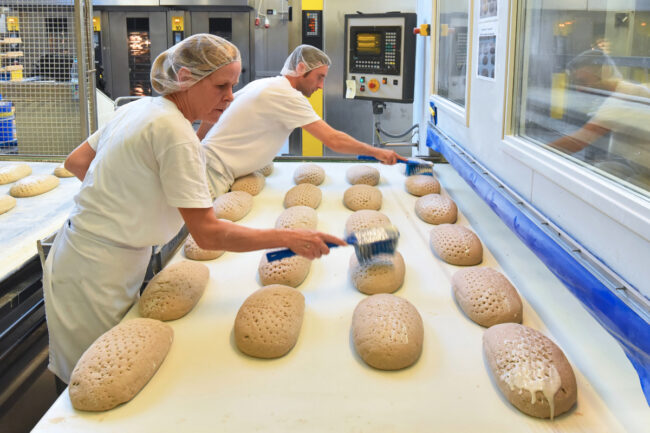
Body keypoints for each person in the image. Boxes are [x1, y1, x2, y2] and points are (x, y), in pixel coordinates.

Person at [43, 34, 345, 385]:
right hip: (97, 272)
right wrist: (289, 238)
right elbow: (208, 233)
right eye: (221, 85)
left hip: (82, 253)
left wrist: (125, 201)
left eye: (234, 84)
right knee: (93, 386)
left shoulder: (140, 108)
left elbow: (78, 161)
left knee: (97, 376)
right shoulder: (174, 131)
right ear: (186, 77)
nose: (231, 96)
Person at [197, 44, 408, 196]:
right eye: (320, 77)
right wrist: (377, 152)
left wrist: (197, 147)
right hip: (211, 177)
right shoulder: (288, 96)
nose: (321, 86)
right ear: (301, 69)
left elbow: (214, 116)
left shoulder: (266, 84)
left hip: (203, 165)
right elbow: (333, 140)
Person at [549, 49, 650, 187]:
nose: (579, 89)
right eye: (576, 82)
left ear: (605, 73)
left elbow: (579, 140)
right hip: (639, 167)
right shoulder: (622, 90)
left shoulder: (624, 97)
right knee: (604, 170)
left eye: (583, 81)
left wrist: (537, 152)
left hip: (645, 173)